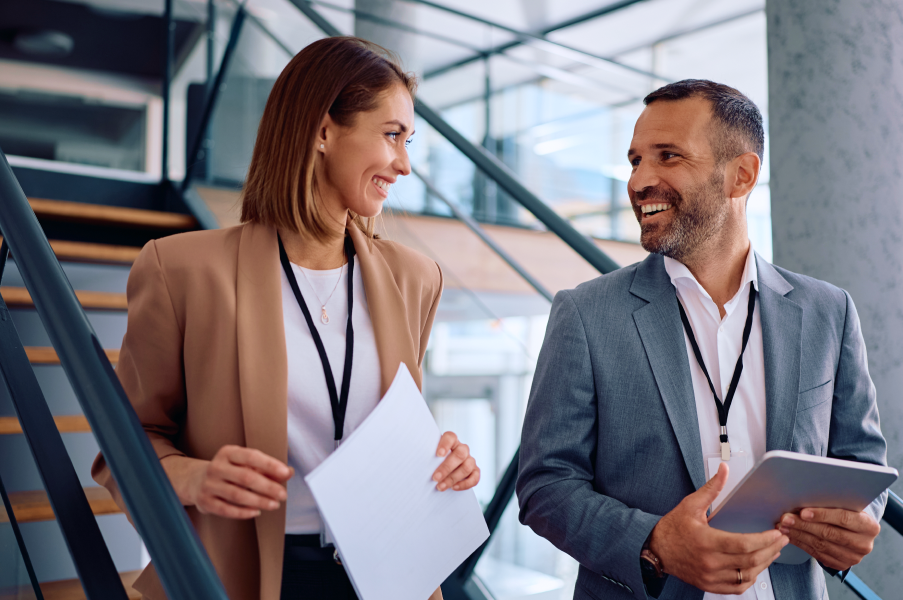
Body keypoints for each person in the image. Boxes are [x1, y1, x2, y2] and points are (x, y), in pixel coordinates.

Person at [92, 37, 480, 600]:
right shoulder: (182, 271)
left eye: (409, 140)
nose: (404, 163)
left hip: (387, 576)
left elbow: (391, 422)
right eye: (392, 135)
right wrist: (196, 479)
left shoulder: (416, 278)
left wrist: (446, 462)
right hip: (246, 578)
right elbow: (125, 447)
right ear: (323, 131)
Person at [516, 80, 887, 600]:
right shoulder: (585, 314)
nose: (641, 180)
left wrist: (854, 523)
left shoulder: (828, 311)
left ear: (742, 175)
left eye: (668, 156)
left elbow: (862, 462)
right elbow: (544, 487)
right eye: (634, 160)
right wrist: (655, 544)